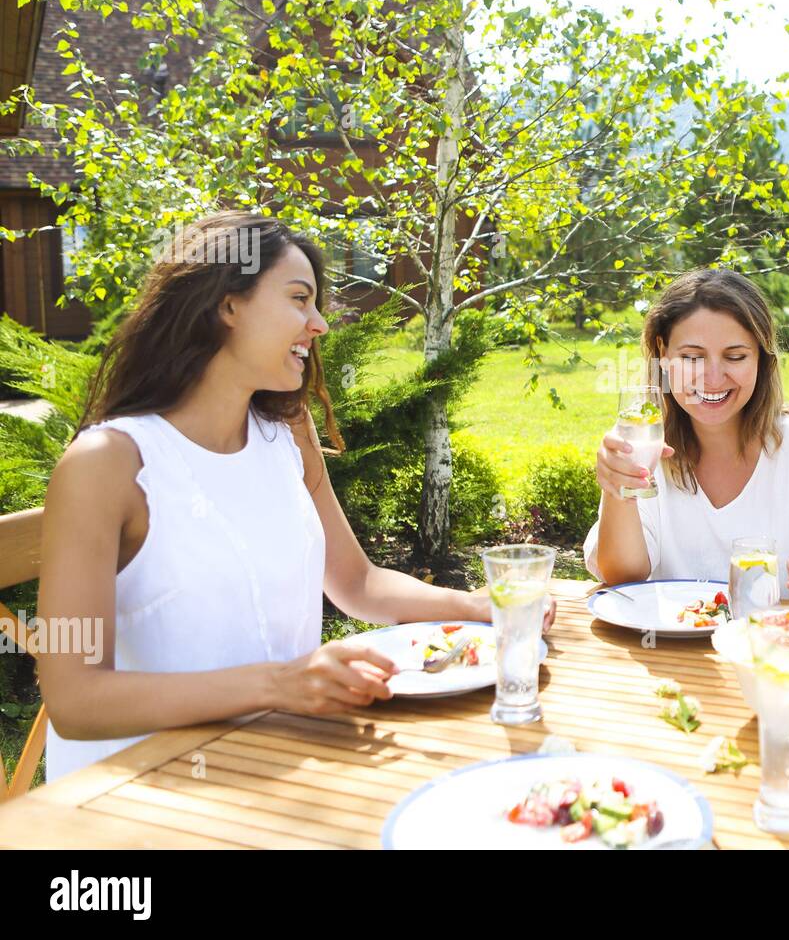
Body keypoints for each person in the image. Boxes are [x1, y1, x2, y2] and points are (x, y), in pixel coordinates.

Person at [37, 211, 553, 781]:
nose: (319, 325)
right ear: (226, 305)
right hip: (138, 800)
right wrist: (281, 684)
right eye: (299, 299)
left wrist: (482, 607)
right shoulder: (105, 465)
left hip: (280, 761)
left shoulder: (286, 431)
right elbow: (75, 698)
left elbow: (356, 583)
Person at [584, 268, 789, 605]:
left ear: (762, 359)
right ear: (663, 355)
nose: (713, 378)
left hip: (776, 649)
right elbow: (623, 575)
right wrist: (619, 490)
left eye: (735, 357)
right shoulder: (641, 446)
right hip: (670, 654)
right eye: (691, 357)